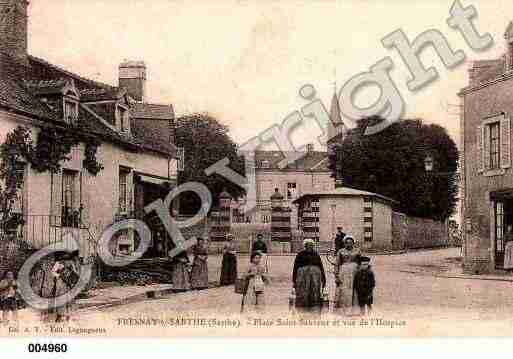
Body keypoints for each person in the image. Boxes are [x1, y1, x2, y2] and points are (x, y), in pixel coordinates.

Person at [292, 238, 326, 313]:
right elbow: (295, 267)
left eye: (311, 245)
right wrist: (294, 280)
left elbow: (321, 266)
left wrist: (324, 279)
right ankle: (303, 307)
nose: (309, 246)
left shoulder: (316, 254)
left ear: (313, 246)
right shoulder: (300, 254)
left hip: (315, 276)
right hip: (302, 276)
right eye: (308, 245)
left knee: (314, 290)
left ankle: (313, 306)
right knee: (303, 290)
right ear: (305, 246)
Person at [334, 236, 361, 315]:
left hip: (355, 272)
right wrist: (336, 275)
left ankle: (355, 310)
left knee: (355, 290)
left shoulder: (357, 251)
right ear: (344, 243)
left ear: (353, 243)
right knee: (344, 290)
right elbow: (337, 264)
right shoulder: (341, 251)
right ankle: (343, 310)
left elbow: (361, 263)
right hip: (343, 273)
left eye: (350, 242)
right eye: (347, 242)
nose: (349, 244)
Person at [52, 250, 80, 323]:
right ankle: (60, 316)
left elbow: (75, 273)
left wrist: (72, 277)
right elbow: (53, 272)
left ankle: (67, 316)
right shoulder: (58, 263)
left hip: (68, 284)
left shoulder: (70, 262)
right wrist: (60, 275)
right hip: (61, 283)